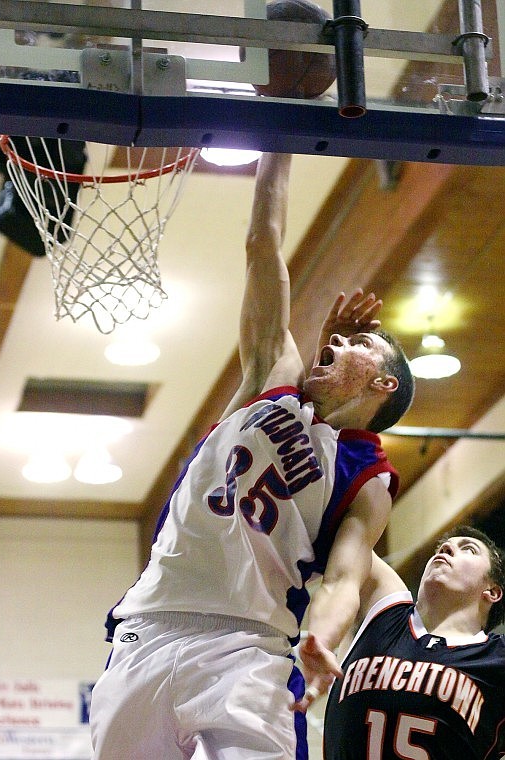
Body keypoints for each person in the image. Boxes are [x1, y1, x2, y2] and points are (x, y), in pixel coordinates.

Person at [89, 152, 415, 760]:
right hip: (150, 628)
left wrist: (324, 638)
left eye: (359, 344)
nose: (336, 339)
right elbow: (263, 245)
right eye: (337, 337)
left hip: (248, 650)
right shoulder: (274, 373)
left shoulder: (369, 477)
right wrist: (277, 142)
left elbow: (345, 575)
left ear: (384, 384)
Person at [323, 525, 505, 759]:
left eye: (468, 549)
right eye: (442, 547)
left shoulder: (497, 660)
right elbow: (346, 526)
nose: (447, 548)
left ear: (492, 591)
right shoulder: (384, 609)